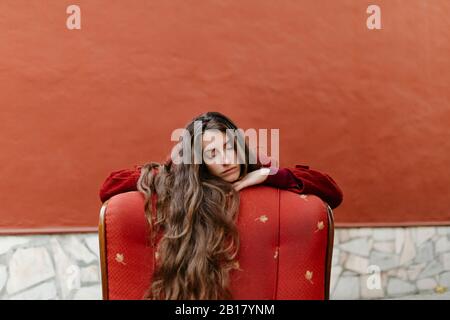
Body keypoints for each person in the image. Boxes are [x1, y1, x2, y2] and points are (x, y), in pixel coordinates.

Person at [99, 111, 343, 299]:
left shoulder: (261, 170)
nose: (227, 160)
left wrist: (266, 173)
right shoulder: (185, 183)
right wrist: (174, 163)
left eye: (229, 147)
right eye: (212, 154)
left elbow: (331, 190)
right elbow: (110, 185)